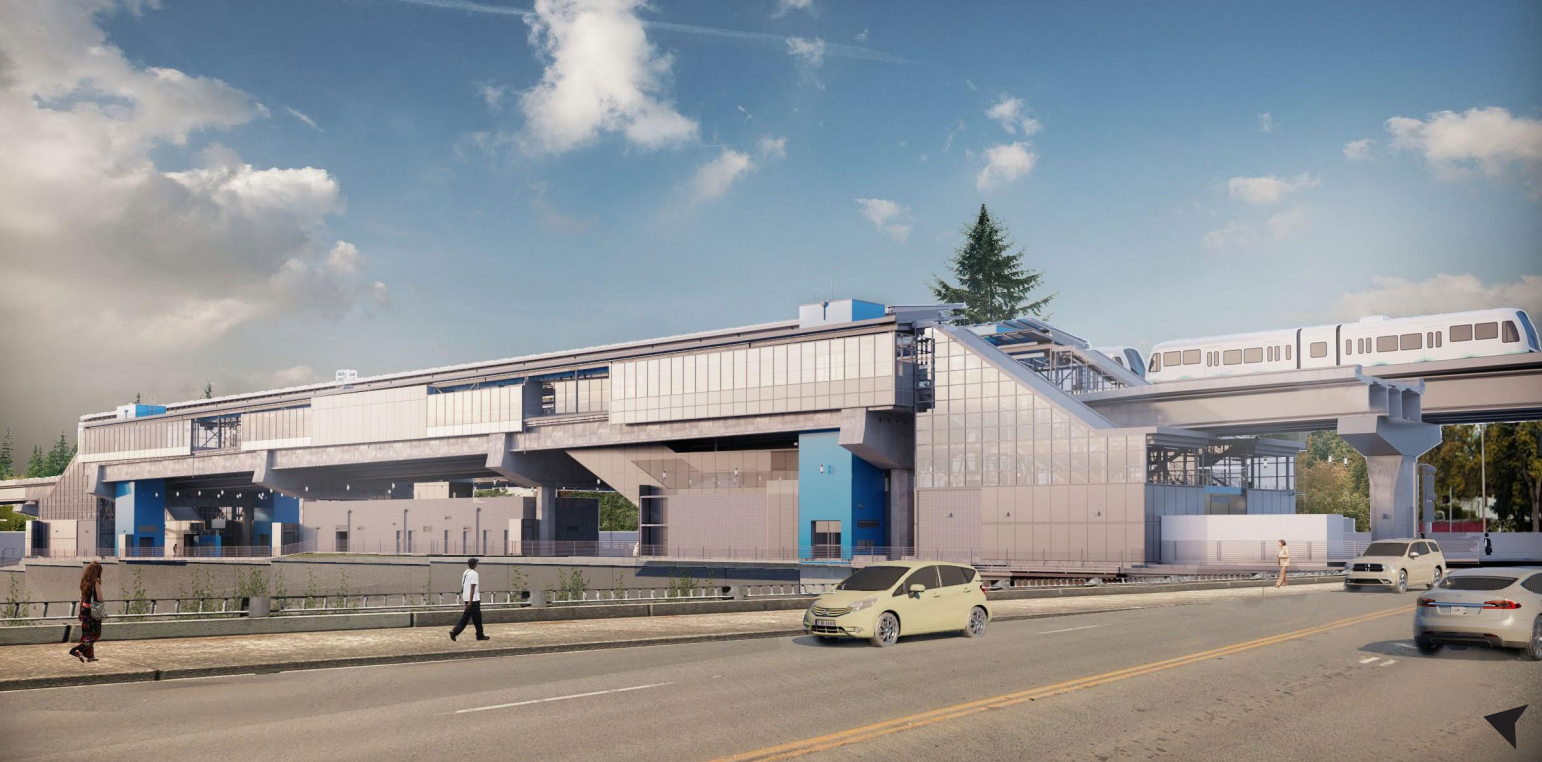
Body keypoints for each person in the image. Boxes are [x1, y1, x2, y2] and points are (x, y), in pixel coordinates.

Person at [69, 561, 104, 663]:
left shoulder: (84, 581)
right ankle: (77, 649)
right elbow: (99, 597)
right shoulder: (96, 581)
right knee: (96, 634)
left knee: (87, 634)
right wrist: (101, 607)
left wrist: (79, 612)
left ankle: (89, 656)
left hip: (84, 610)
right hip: (93, 611)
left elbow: (81, 598)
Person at [450, 557, 489, 642]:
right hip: (473, 600)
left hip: (467, 598)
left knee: (477, 618)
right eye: (476, 563)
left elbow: (464, 586)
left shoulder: (466, 572)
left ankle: (480, 635)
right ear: (474, 564)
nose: (477, 564)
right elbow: (473, 588)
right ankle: (454, 632)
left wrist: (468, 600)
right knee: (467, 617)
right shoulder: (474, 574)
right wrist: (470, 602)